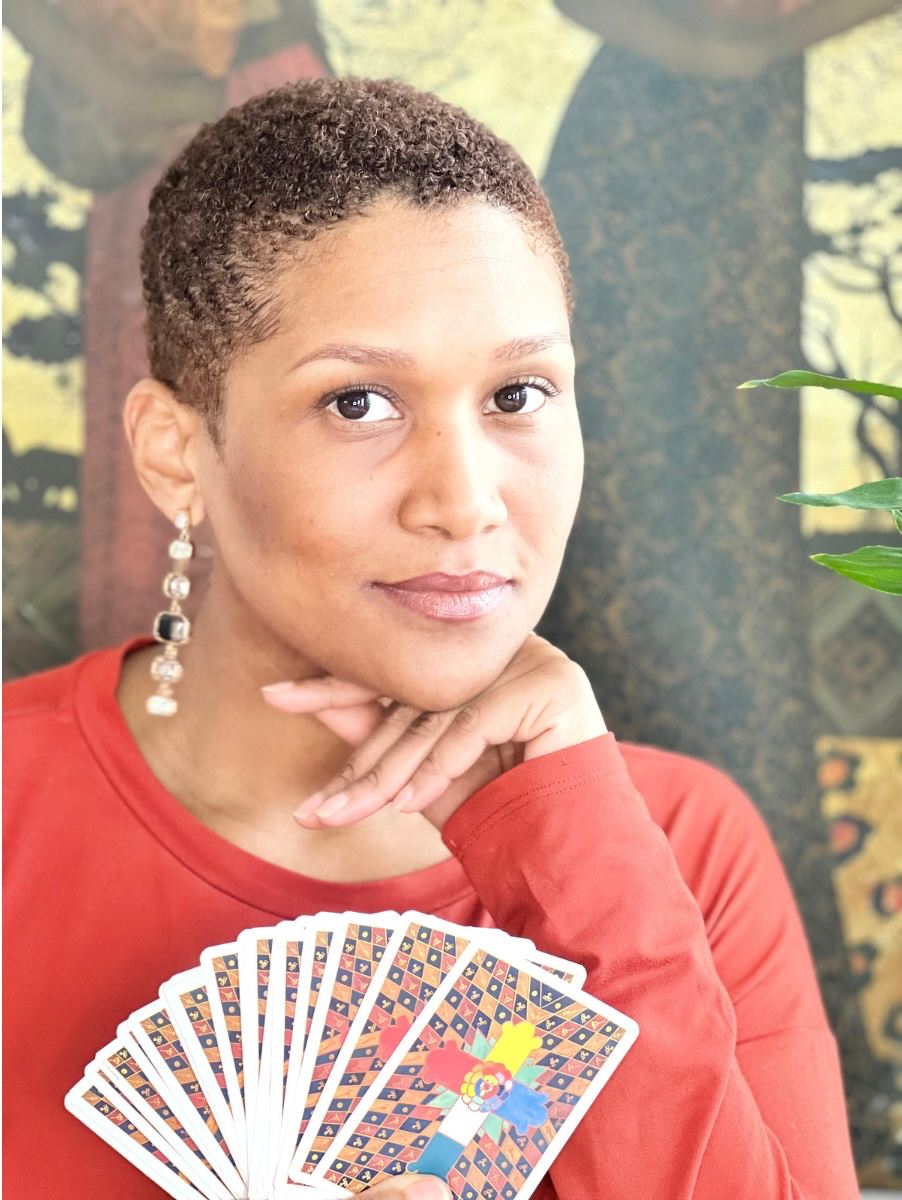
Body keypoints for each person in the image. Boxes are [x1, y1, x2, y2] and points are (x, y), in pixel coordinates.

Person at [3, 76, 858, 1200]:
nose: (463, 501)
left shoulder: (685, 848)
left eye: (517, 393)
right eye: (359, 402)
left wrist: (574, 850)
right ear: (176, 452)